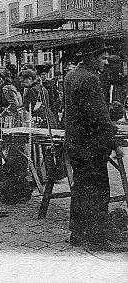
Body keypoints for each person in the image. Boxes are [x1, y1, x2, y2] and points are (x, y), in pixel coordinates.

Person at [64, 37, 128, 252]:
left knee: (81, 189)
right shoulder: (90, 79)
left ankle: (77, 234)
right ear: (90, 58)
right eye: (102, 58)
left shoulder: (71, 75)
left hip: (76, 144)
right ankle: (98, 239)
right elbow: (99, 119)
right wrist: (115, 142)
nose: (106, 62)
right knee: (99, 191)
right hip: (92, 146)